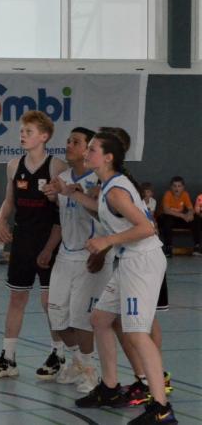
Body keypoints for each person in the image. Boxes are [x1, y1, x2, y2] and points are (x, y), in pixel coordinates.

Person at [62, 131, 177, 424]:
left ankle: (161, 408)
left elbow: (146, 228)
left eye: (92, 149)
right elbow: (104, 212)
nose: (86, 153)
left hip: (142, 262)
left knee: (138, 333)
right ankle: (111, 388)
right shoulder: (108, 186)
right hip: (128, 259)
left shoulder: (115, 190)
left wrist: (106, 241)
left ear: (108, 157)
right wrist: (71, 192)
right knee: (100, 319)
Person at [0, 110, 68, 381]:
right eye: (21, 131)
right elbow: (9, 200)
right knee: (16, 298)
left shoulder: (57, 166)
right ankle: (8, 358)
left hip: (48, 240)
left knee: (49, 302)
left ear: (44, 136)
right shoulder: (13, 165)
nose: (23, 135)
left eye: (28, 132)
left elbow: (66, 207)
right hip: (22, 239)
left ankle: (59, 354)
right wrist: (0, 222)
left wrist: (56, 197)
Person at [43, 127, 108, 394]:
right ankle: (77, 362)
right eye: (68, 140)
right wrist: (49, 248)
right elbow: (61, 219)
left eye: (76, 142)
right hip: (65, 255)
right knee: (56, 313)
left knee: (81, 318)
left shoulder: (98, 180)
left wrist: (101, 252)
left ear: (87, 149)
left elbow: (108, 220)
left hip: (89, 256)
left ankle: (91, 370)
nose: (69, 144)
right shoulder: (61, 177)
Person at [158, 176, 199, 257]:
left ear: (183, 187)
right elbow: (166, 210)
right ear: (171, 187)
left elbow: (191, 208)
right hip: (165, 218)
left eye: (179, 186)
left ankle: (197, 247)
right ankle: (168, 248)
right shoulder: (168, 194)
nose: (176, 188)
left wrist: (190, 214)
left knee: (196, 219)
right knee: (167, 219)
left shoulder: (185, 194)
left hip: (178, 219)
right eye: (174, 186)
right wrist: (183, 215)